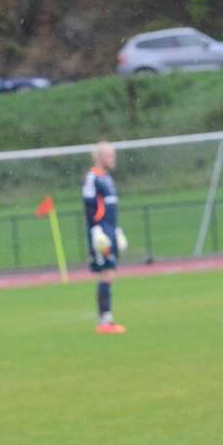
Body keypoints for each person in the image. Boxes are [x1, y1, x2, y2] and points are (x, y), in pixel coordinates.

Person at [83, 141, 126, 334]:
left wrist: (116, 230)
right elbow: (90, 207)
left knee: (110, 272)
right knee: (106, 273)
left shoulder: (107, 178)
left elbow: (109, 209)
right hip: (100, 233)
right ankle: (105, 321)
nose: (113, 159)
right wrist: (96, 231)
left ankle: (106, 319)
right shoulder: (93, 178)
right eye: (109, 155)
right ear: (100, 157)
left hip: (110, 231)